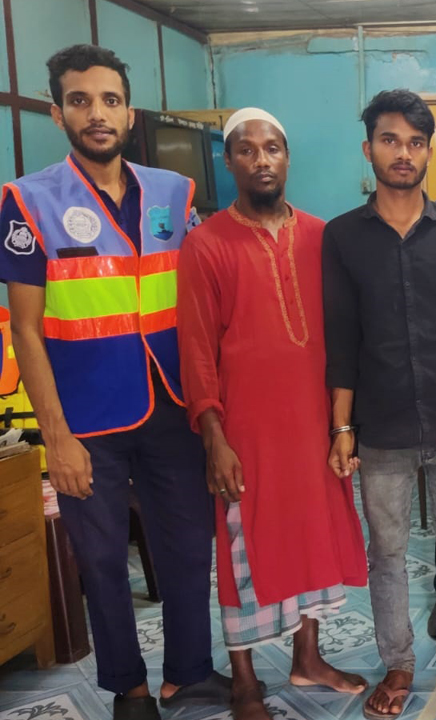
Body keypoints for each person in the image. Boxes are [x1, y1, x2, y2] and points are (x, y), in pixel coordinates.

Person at [0, 44, 229, 720]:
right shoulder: (27, 201)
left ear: (129, 113)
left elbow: (200, 301)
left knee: (187, 546)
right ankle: (128, 689)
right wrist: (56, 438)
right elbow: (26, 331)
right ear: (58, 113)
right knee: (101, 561)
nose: (96, 113)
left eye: (109, 100)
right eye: (80, 101)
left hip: (173, 404)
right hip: (85, 418)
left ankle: (188, 673)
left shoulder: (175, 193)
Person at [177, 107, 369, 720]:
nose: (261, 160)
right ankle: (244, 680)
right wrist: (214, 437)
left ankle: (307, 658)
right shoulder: (205, 244)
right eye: (247, 150)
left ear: (288, 157)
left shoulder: (320, 235)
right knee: (244, 547)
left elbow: (342, 334)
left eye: (273, 148)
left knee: (313, 538)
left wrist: (342, 424)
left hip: (313, 422)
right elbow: (197, 349)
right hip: (246, 430)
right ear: (228, 160)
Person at [323, 89, 436, 719]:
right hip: (380, 423)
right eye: (390, 140)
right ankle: (396, 662)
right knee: (386, 553)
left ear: (429, 153)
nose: (404, 153)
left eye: (416, 142)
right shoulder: (343, 236)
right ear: (368, 149)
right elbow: (341, 337)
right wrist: (342, 426)